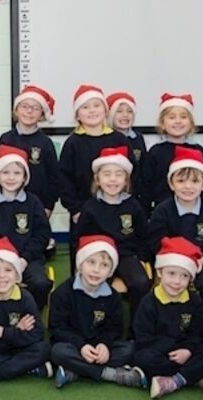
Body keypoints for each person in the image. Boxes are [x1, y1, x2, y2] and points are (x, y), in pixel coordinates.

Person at [50, 235, 144, 389]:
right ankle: (109, 374)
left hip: (98, 347)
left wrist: (104, 345)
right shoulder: (63, 293)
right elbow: (57, 329)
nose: (96, 270)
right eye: (91, 262)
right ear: (80, 265)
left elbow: (114, 328)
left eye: (104, 265)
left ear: (110, 271)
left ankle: (75, 370)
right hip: (74, 346)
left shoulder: (113, 296)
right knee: (57, 352)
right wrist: (81, 346)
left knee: (128, 349)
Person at [72, 146, 151, 323]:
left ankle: (137, 330)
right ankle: (97, 327)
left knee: (140, 283)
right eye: (107, 174)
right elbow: (78, 239)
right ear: (97, 179)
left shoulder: (133, 206)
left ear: (126, 180)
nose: (113, 179)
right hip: (98, 258)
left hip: (126, 256)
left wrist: (141, 258)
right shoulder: (90, 207)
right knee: (93, 282)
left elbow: (144, 236)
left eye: (118, 174)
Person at [58, 85, 130, 266]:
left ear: (105, 110)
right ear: (77, 114)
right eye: (85, 107)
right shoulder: (72, 142)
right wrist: (75, 209)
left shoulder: (118, 139)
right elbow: (64, 180)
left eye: (96, 105)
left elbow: (129, 176)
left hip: (115, 208)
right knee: (83, 260)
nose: (92, 111)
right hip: (82, 212)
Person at [0, 237, 52, 389]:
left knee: (44, 348)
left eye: (8, 270)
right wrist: (18, 332)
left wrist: (3, 332)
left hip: (18, 347)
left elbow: (38, 334)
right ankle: (27, 368)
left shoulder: (25, 298)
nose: (2, 276)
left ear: (17, 275)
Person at [0, 146, 52, 311]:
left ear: (25, 177)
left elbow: (42, 235)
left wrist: (24, 258)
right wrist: (0, 256)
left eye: (17, 173)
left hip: (28, 260)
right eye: (5, 172)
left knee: (40, 283)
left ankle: (31, 315)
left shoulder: (33, 203)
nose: (11, 178)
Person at [133, 237, 203, 399]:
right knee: (142, 358)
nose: (176, 281)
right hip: (161, 353)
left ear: (190, 279)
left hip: (185, 352)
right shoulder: (148, 302)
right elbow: (142, 337)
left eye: (184, 276)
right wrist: (170, 350)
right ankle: (190, 376)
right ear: (160, 272)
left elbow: (198, 333)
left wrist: (187, 350)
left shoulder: (195, 301)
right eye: (171, 273)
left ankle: (174, 381)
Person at [148, 147, 203, 303]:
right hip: (171, 261)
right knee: (168, 286)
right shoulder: (162, 211)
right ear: (171, 184)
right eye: (181, 181)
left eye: (195, 181)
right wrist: (177, 260)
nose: (188, 186)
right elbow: (156, 241)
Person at [0, 84, 61, 216]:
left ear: (42, 114)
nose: (29, 111)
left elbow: (54, 178)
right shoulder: (6, 139)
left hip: (38, 206)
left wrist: (49, 205)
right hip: (7, 204)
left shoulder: (46, 143)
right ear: (16, 110)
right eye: (24, 106)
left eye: (35, 108)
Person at [139, 93, 203, 213]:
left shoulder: (197, 150)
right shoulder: (155, 152)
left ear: (191, 123)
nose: (178, 121)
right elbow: (146, 185)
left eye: (183, 117)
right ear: (162, 124)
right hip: (161, 210)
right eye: (172, 117)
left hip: (191, 209)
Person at [106, 91, 146, 198]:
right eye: (119, 111)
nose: (125, 115)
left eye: (129, 111)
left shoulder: (138, 138)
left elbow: (143, 168)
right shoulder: (105, 138)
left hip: (134, 194)